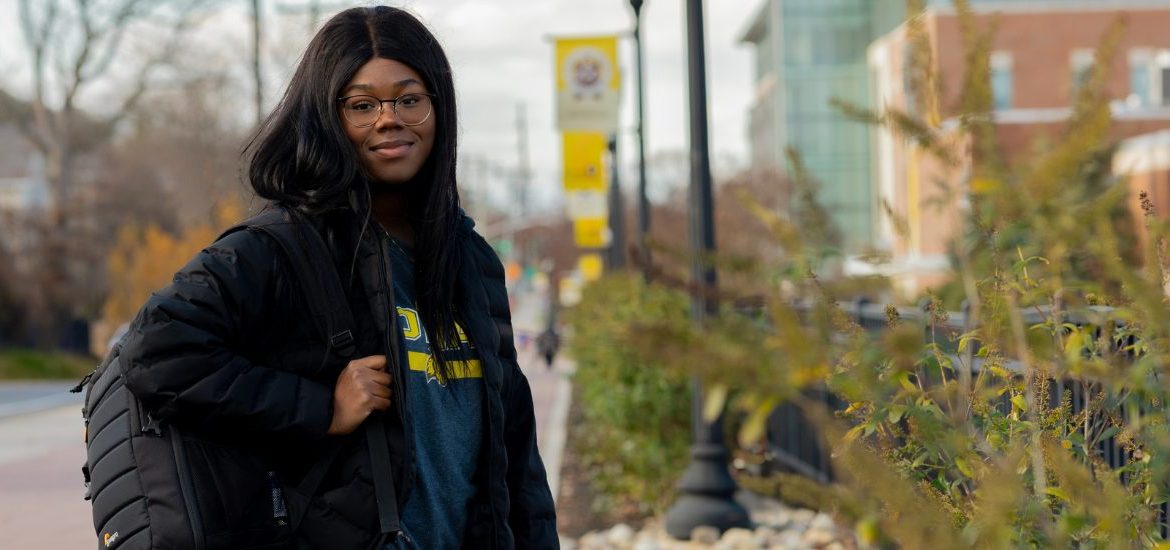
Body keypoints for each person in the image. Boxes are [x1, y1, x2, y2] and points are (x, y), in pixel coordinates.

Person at [119, 6, 558, 549]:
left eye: (409, 99)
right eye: (361, 105)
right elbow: (157, 350)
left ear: (438, 110)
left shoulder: (472, 260)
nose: (388, 118)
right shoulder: (281, 248)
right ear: (329, 119)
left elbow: (515, 452)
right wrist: (320, 407)